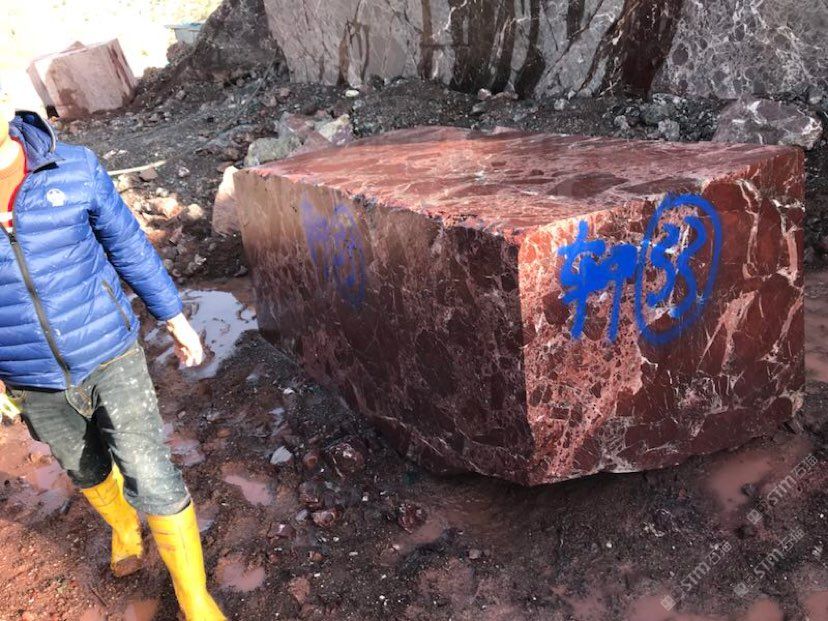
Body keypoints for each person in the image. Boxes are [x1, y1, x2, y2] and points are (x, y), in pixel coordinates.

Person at [0, 90, 226, 620]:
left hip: (109, 351)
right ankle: (124, 527)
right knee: (83, 466)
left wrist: (174, 318)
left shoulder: (73, 168)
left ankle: (194, 597)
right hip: (28, 373)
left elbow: (128, 245)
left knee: (149, 467)